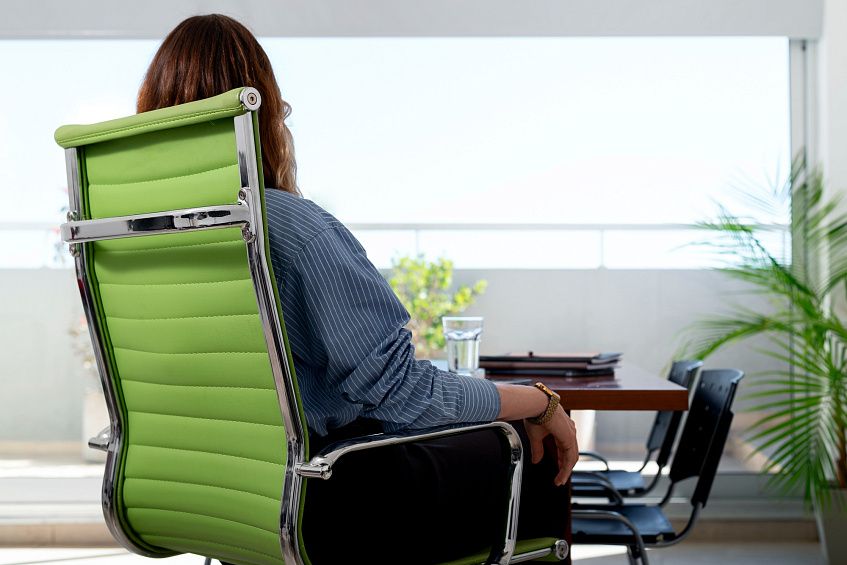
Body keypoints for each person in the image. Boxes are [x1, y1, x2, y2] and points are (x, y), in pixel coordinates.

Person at [137, 14, 578, 564]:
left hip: (209, 494)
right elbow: (403, 394)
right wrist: (538, 400)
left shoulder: (135, 241)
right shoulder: (292, 229)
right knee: (533, 453)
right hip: (323, 501)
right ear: (263, 113)